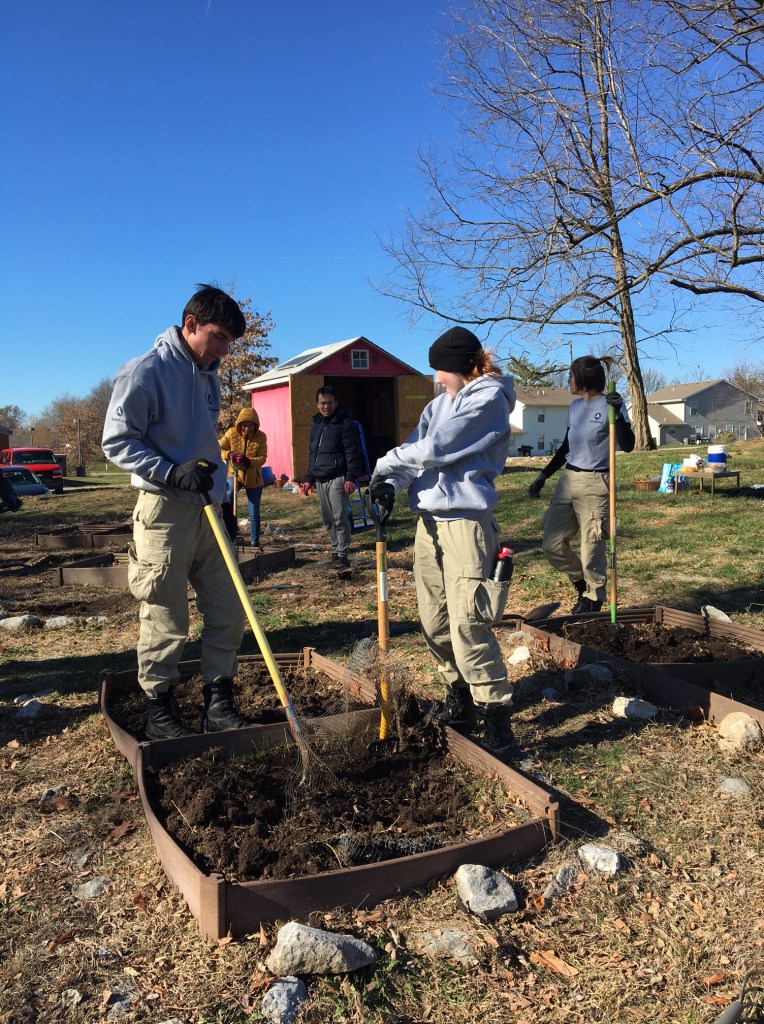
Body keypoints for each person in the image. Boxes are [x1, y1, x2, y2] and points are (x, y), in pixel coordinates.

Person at [102, 284, 253, 740]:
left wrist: (223, 503)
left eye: (231, 341)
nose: (225, 349)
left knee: (229, 607)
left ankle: (219, 700)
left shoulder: (209, 373)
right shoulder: (144, 372)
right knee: (165, 614)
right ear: (191, 325)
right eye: (220, 337)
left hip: (207, 507)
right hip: (164, 509)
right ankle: (160, 707)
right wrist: (169, 473)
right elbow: (117, 441)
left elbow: (206, 445)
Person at [370, 326, 522, 761]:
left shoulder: (488, 399)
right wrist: (391, 482)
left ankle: (496, 715)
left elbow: (437, 448)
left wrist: (383, 464)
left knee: (468, 622)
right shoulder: (439, 404)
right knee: (433, 620)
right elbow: (413, 451)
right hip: (428, 525)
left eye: (441, 370)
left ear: (462, 367)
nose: (437, 379)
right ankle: (459, 693)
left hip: (465, 526)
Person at [528, 355, 635, 613]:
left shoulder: (611, 406)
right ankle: (581, 583)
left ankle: (593, 599)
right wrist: (544, 475)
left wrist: (618, 414)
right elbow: (566, 446)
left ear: (584, 379)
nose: (568, 380)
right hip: (569, 479)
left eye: (571, 376)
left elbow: (629, 445)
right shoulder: (574, 407)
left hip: (597, 483)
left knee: (592, 548)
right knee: (551, 545)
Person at [306, 385, 365, 569]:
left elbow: (352, 452)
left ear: (336, 403)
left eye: (330, 403)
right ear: (317, 404)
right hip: (320, 479)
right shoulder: (316, 424)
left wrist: (350, 477)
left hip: (338, 477)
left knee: (340, 518)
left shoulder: (344, 423)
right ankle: (335, 549)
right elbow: (313, 453)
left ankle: (343, 554)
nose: (326, 407)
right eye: (323, 403)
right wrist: (309, 478)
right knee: (328, 519)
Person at [220, 407, 267, 547]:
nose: (247, 428)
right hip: (235, 474)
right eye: (244, 425)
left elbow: (263, 458)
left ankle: (254, 541)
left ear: (255, 425)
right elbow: (218, 448)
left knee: (253, 512)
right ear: (239, 424)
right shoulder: (231, 433)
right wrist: (229, 454)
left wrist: (249, 461)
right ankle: (231, 534)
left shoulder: (261, 437)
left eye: (250, 425)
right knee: (228, 501)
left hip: (254, 477)